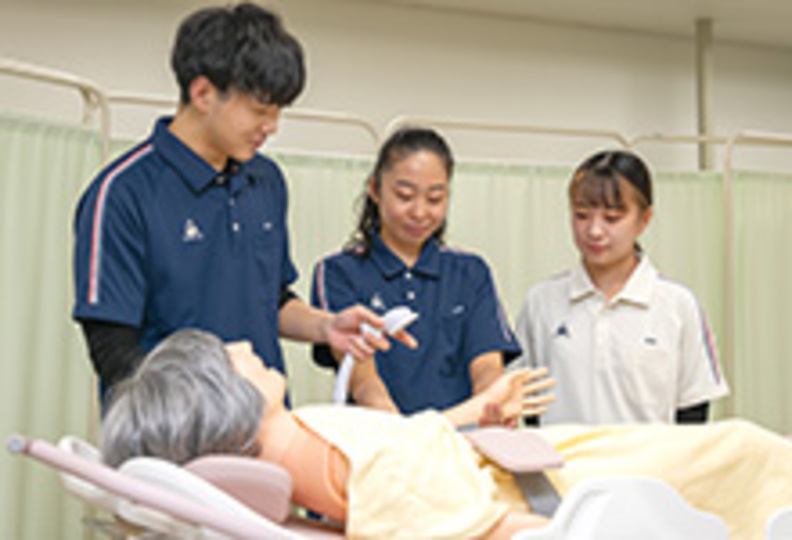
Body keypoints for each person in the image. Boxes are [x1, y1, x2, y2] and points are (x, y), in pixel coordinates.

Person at [101, 329, 792, 540]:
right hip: (551, 492)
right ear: (219, 401)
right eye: (230, 357)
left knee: (741, 446)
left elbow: (414, 444)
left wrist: (474, 411)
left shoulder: (300, 439)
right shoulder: (323, 455)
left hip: (514, 461)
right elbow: (471, 525)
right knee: (742, 449)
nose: (246, 344)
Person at [72, 3, 412, 400]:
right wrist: (199, 416)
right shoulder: (122, 193)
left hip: (264, 424)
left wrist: (327, 326)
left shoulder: (265, 180)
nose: (272, 127)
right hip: (173, 440)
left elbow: (272, 299)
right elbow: (113, 352)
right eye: (260, 111)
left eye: (278, 112)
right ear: (203, 93)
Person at [311, 127, 521, 418]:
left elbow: (487, 365)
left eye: (435, 199)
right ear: (374, 190)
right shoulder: (338, 272)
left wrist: (493, 404)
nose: (420, 212)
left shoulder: (470, 272)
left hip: (459, 440)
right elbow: (364, 382)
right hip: (382, 439)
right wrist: (407, 438)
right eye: (405, 195)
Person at [514, 150, 729, 425]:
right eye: (581, 215)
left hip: (648, 466)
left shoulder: (677, 304)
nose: (594, 231)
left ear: (644, 219)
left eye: (612, 218)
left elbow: (693, 407)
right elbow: (527, 402)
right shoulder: (542, 301)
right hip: (563, 465)